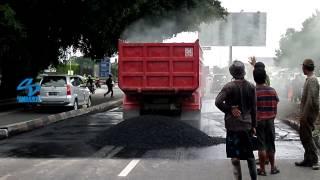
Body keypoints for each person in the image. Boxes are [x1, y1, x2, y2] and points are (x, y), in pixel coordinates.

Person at [215, 60, 257, 180]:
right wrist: (254, 125)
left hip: (233, 127)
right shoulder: (251, 87)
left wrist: (229, 109)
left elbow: (218, 102)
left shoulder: (228, 87)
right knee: (250, 156)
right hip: (247, 127)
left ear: (232, 73)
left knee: (235, 157)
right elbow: (254, 108)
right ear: (243, 72)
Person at [253, 68, 280, 176]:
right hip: (270, 120)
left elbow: (252, 109)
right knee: (271, 144)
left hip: (259, 121)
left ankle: (262, 169)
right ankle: (273, 168)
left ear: (254, 79)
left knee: (261, 145)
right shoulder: (272, 90)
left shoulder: (254, 91)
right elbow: (276, 103)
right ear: (265, 78)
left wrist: (252, 124)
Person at [295, 59, 319, 170]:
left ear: (305, 68)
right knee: (304, 136)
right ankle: (308, 159)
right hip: (306, 112)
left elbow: (311, 99)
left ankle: (314, 160)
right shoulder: (309, 79)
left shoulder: (312, 80)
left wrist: (305, 115)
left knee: (307, 136)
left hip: (309, 113)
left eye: (302, 67)